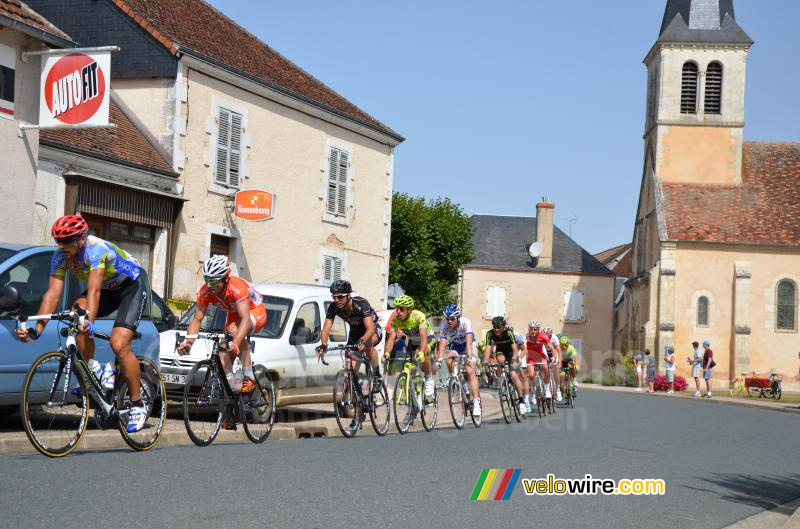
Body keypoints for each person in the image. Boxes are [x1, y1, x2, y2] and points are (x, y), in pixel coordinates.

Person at [15, 215, 148, 433]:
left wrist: (88, 322)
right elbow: (52, 294)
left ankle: (137, 403)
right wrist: (36, 329)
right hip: (106, 290)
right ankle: (94, 369)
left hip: (130, 288)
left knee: (119, 344)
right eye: (59, 241)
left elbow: (94, 291)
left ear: (82, 239)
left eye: (67, 241)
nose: (62, 246)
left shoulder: (97, 250)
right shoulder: (59, 257)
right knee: (76, 313)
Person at [178, 255, 267, 426]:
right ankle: (233, 403)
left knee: (234, 332)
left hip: (255, 311)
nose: (209, 285)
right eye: (207, 280)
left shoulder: (237, 287)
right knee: (222, 352)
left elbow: (246, 320)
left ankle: (249, 377)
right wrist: (188, 342)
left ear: (225, 278)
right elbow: (197, 319)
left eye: (214, 281)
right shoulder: (205, 290)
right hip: (234, 314)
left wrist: (236, 343)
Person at [382, 295, 435, 399]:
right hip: (413, 341)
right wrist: (387, 353)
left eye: (401, 309)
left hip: (428, 339)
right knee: (412, 367)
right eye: (396, 308)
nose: (398, 311)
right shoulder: (396, 320)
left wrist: (421, 352)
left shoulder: (418, 316)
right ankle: (415, 397)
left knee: (421, 353)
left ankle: (429, 378)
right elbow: (391, 339)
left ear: (409, 310)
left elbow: (423, 338)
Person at [435, 304, 481, 416]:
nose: (449, 321)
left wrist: (470, 358)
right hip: (456, 346)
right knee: (449, 359)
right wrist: (439, 360)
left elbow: (469, 342)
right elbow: (443, 343)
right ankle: (457, 381)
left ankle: (476, 403)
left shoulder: (465, 323)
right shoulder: (444, 326)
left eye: (452, 318)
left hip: (468, 345)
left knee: (470, 371)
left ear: (458, 317)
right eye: (447, 318)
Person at [483, 316, 526, 415]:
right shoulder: (490, 333)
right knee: (500, 360)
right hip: (501, 352)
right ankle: (501, 379)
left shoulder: (509, 333)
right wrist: (487, 362)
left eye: (499, 327)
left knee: (514, 375)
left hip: (512, 354)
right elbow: (488, 349)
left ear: (504, 327)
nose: (496, 329)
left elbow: (515, 350)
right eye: (494, 327)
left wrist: (515, 361)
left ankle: (521, 401)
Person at [524, 320, 558, 405]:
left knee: (546, 368)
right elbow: (523, 349)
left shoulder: (543, 336)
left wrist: (553, 357)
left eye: (535, 329)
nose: (533, 331)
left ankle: (547, 389)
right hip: (531, 356)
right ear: (529, 329)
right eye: (531, 329)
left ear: (538, 330)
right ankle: (534, 390)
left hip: (540, 355)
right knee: (531, 375)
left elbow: (553, 349)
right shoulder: (526, 337)